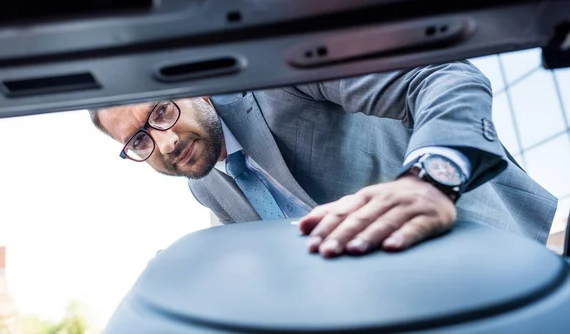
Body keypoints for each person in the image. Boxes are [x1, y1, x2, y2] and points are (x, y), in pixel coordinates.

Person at [89, 61, 557, 258]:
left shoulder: (279, 78)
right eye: (138, 142)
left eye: (161, 113)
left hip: (491, 258)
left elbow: (444, 77)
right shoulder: (205, 183)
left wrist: (430, 180)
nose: (165, 143)